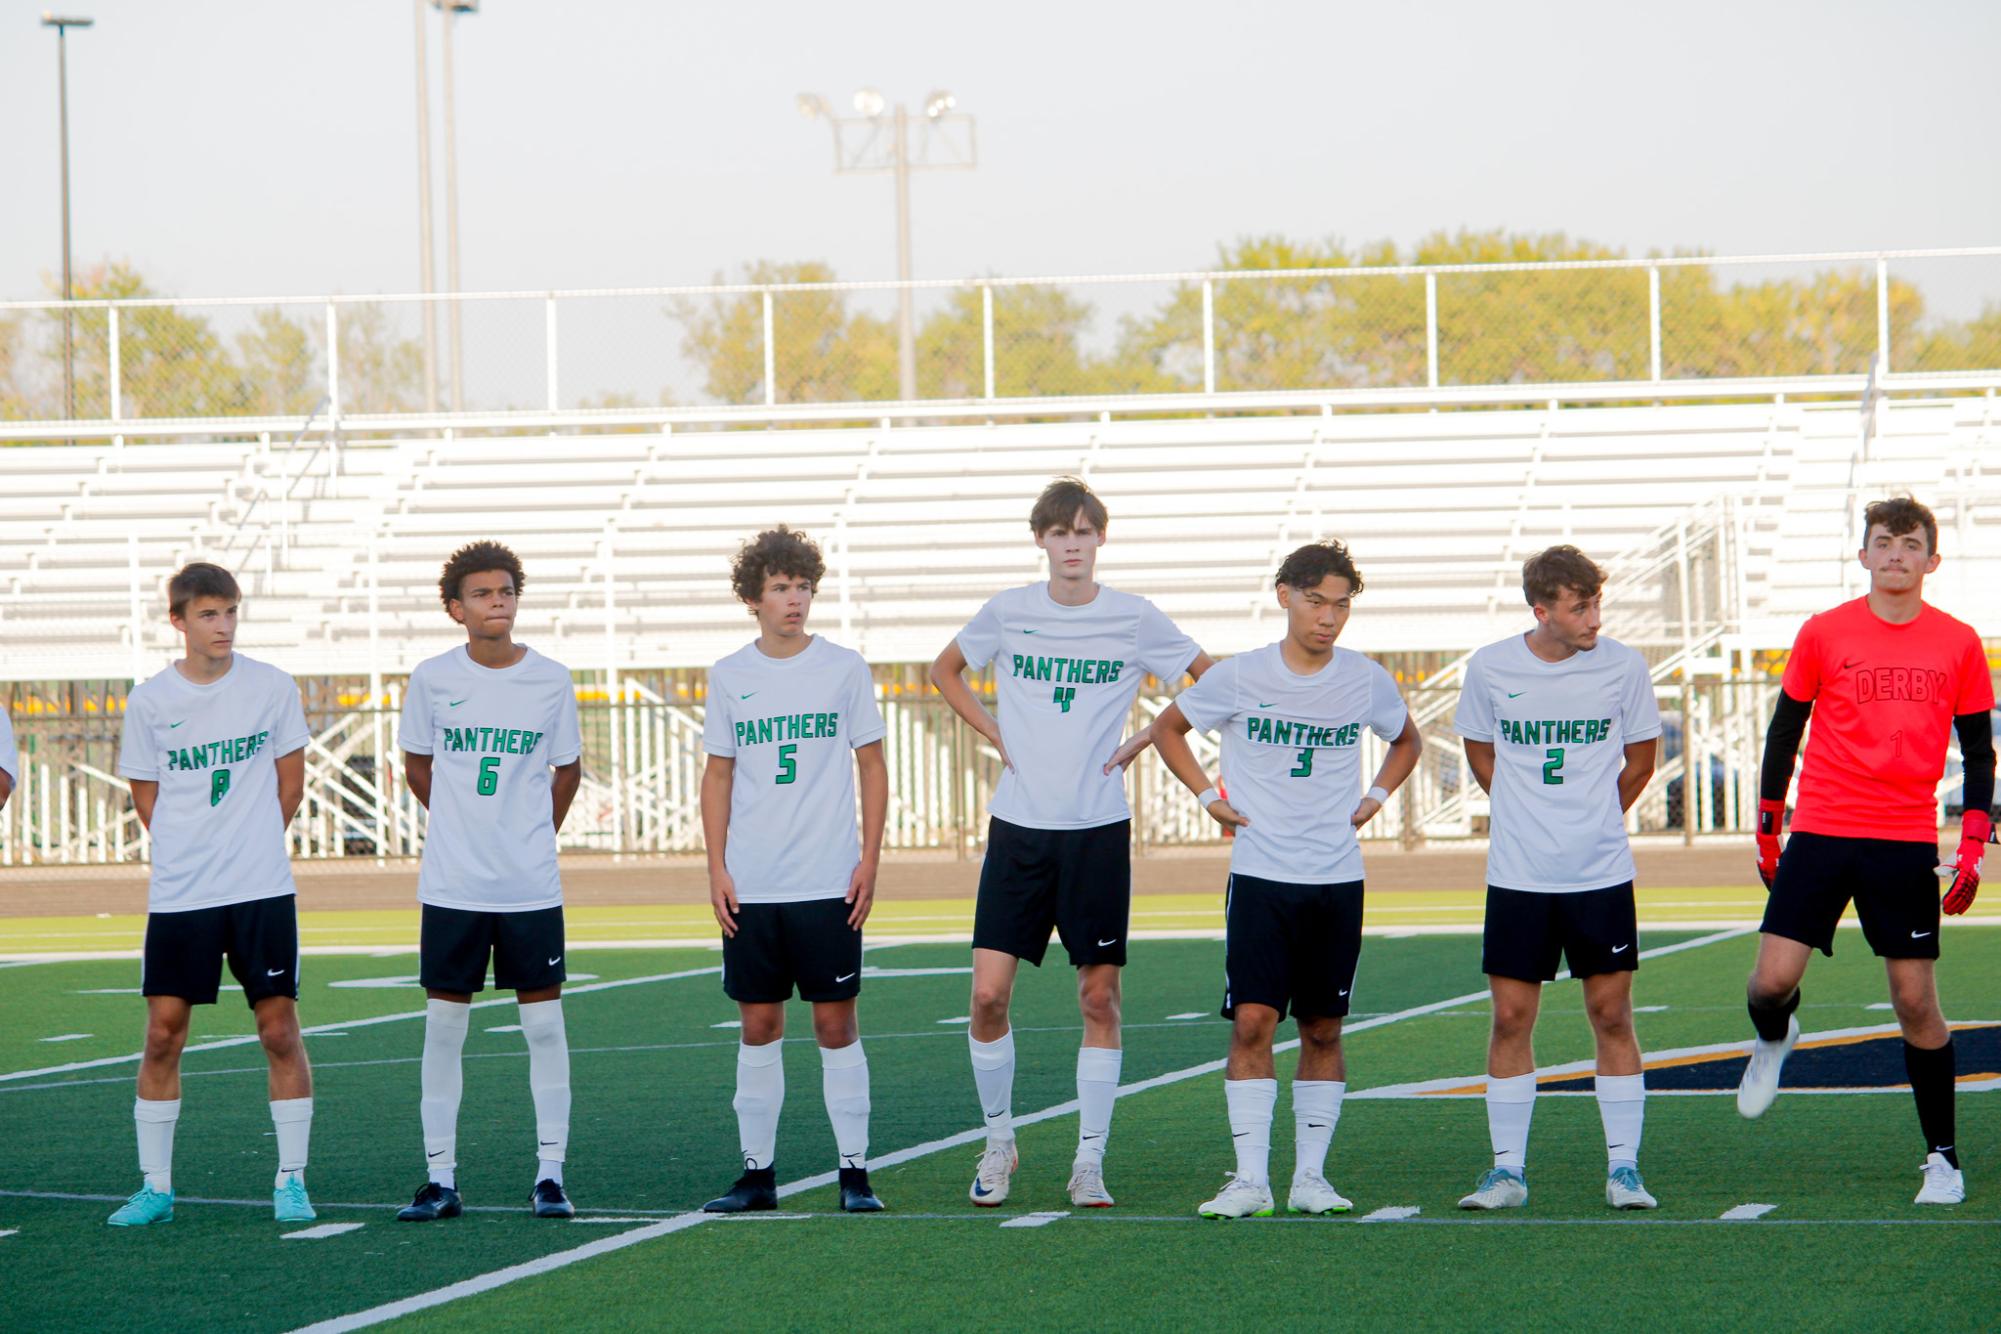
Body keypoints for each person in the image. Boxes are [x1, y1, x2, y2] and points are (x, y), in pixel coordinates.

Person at [930, 476, 1213, 1208]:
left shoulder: (1132, 617)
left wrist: (1150, 735)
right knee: (988, 995)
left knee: (1098, 998)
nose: (1072, 546)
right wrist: (990, 729)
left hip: (1095, 829)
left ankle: (1088, 1161)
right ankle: (999, 1143)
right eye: (1060, 534)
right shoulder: (1009, 611)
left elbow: (1211, 680)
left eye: (1084, 533)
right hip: (1019, 827)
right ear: (1041, 541)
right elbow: (944, 670)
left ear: (1100, 541)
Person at [1116, 540, 1420, 1218]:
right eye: (1316, 601)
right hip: (1260, 874)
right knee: (1253, 1020)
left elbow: (1407, 740)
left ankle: (1309, 1178)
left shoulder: (1365, 678)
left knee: (1322, 1027)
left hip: (1336, 878)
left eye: (1341, 605)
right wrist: (1205, 797)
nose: (1329, 618)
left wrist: (1373, 798)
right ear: (1284, 595)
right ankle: (1249, 1179)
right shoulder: (1238, 676)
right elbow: (1168, 730)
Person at [1739, 496, 1994, 1206]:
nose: (1894, 555)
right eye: (1881, 542)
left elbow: (1978, 750)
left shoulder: (1958, 641)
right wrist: (1768, 826)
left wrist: (1973, 839)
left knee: (1914, 1001)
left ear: (1930, 561)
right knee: (1767, 983)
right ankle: (1773, 1037)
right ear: (1861, 555)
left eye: (1908, 544)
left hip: (1904, 835)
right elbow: (1783, 732)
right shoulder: (1823, 632)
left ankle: (1941, 1158)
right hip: (1821, 827)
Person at [1453, 545, 1662, 1212]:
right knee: (1510, 1017)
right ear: (1541, 611)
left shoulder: (1624, 666)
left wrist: (1592, 816)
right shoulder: (1489, 666)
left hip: (1599, 872)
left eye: (1596, 603)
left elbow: (1640, 758)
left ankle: (1624, 1169)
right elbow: (1479, 749)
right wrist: (1524, 812)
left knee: (1610, 1013)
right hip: (1517, 875)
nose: (1593, 618)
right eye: (1579, 607)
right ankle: (1506, 1172)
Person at [109, 562, 315, 1227]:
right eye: (207, 614)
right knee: (163, 1034)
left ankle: (291, 1180)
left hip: (261, 890)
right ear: (178, 621)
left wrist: (249, 844)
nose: (222, 626)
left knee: (278, 1029)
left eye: (229, 612)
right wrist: (193, 848)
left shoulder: (272, 687)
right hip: (181, 894)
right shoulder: (150, 701)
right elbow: (148, 796)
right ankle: (156, 1188)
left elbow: (291, 785)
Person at [698, 527, 890, 1215]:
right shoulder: (729, 675)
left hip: (826, 879)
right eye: (780, 587)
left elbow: (871, 764)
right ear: (752, 597)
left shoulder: (843, 667)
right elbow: (717, 775)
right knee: (758, 1025)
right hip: (753, 882)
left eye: (802, 586)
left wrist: (869, 857)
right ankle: (756, 1175)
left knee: (836, 1025)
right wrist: (715, 866)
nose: (794, 600)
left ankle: (854, 1173)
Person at [394, 541, 584, 1222]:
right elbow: (417, 763)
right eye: (480, 594)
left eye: (505, 591)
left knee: (543, 1027)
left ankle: (550, 1176)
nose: (495, 602)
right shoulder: (431, 678)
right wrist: (460, 824)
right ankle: (440, 1178)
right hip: (452, 886)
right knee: (444, 1028)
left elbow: (567, 772)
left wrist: (528, 832)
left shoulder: (551, 679)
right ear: (456, 609)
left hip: (528, 886)